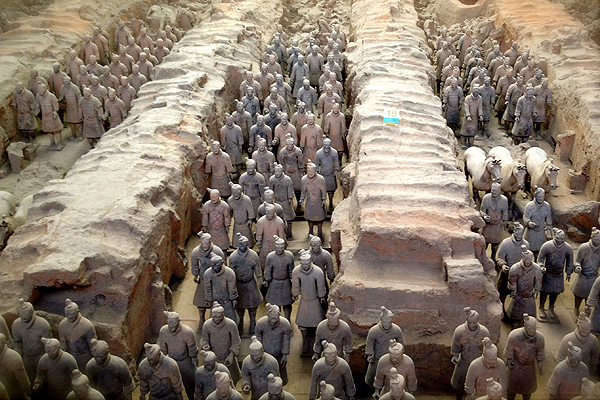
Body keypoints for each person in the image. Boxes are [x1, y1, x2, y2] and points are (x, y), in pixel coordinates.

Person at [451, 307, 491, 400]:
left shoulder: (484, 332)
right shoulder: (459, 331)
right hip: (464, 362)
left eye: (474, 323)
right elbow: (456, 345)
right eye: (470, 323)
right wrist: (455, 355)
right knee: (459, 384)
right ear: (466, 320)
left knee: (478, 386)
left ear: (478, 321)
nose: (472, 325)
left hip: (479, 364)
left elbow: (487, 348)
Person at [292, 250, 327, 356]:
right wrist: (295, 294)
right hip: (304, 300)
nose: (305, 266)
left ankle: (317, 343)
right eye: (303, 263)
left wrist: (321, 296)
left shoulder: (317, 271)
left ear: (310, 261)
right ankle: (305, 342)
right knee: (302, 323)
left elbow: (321, 285)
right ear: (300, 262)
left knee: (318, 323)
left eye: (307, 263)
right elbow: (295, 285)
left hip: (315, 300)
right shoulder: (296, 271)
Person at [158, 311, 198, 400]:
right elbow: (163, 349)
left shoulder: (187, 332)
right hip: (171, 362)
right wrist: (162, 362)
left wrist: (194, 357)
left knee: (190, 383)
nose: (171, 328)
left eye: (174, 325)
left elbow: (192, 347)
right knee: (172, 385)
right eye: (169, 325)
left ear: (179, 322)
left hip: (185, 361)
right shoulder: (163, 331)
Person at [503, 314, 544, 400]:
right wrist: (510, 360)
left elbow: (540, 351)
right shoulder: (514, 335)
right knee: (511, 388)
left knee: (528, 390)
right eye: (529, 328)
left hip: (530, 367)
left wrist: (540, 363)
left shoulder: (540, 338)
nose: (532, 331)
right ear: (525, 326)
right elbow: (509, 349)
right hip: (516, 366)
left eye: (533, 328)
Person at [200, 302, 242, 384]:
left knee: (231, 380)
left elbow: (236, 341)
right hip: (214, 359)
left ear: (223, 314)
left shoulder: (230, 324)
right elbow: (204, 339)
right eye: (214, 317)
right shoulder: (207, 325)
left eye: (219, 317)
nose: (217, 319)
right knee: (215, 381)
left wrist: (231, 355)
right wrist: (205, 345)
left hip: (228, 358)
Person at [229, 233, 262, 336]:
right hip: (239, 285)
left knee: (253, 307)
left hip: (251, 283)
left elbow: (257, 269)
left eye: (245, 245)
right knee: (240, 308)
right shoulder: (233, 257)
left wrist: (260, 279)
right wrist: (231, 287)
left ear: (247, 245)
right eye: (241, 245)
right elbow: (231, 274)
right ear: (238, 245)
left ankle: (253, 327)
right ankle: (240, 328)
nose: (243, 247)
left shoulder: (253, 255)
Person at [191, 233, 224, 331]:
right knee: (201, 300)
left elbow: (223, 265)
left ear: (210, 242)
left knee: (217, 300)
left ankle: (215, 318)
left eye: (207, 245)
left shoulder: (217, 251)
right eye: (203, 244)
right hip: (203, 278)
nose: (205, 247)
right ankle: (201, 319)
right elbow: (195, 264)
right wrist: (195, 274)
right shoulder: (196, 252)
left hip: (215, 279)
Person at [537, 228, 573, 320]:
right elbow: (540, 259)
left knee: (555, 293)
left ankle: (550, 308)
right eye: (558, 239)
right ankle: (541, 307)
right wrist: (541, 266)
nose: (559, 241)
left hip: (558, 274)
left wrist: (568, 272)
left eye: (562, 240)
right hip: (547, 273)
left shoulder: (567, 248)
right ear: (554, 237)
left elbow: (570, 261)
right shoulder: (547, 246)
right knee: (544, 291)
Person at [255, 304, 292, 385]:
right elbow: (258, 336)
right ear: (268, 314)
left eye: (275, 318)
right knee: (266, 370)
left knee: (281, 369)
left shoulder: (285, 324)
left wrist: (285, 354)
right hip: (266, 352)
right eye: (271, 318)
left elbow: (286, 339)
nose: (272, 321)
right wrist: (260, 350)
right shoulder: (261, 323)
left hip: (279, 353)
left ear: (279, 315)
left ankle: (282, 382)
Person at [507, 246, 543, 326]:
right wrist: (513, 290)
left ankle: (526, 327)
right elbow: (512, 281)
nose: (528, 263)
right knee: (515, 319)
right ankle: (514, 327)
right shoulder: (515, 268)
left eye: (529, 261)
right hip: (518, 296)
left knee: (530, 319)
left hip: (529, 297)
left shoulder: (536, 268)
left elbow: (538, 280)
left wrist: (536, 290)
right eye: (526, 261)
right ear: (523, 259)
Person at [58, 298, 97, 373]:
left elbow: (93, 345)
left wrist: (94, 361)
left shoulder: (87, 325)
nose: (71, 318)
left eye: (73, 316)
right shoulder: (62, 325)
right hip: (71, 357)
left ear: (77, 311)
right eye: (69, 317)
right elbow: (63, 344)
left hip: (85, 357)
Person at [264, 236, 295, 322]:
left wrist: (294, 282)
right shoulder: (270, 257)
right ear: (275, 246)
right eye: (278, 247)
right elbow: (268, 270)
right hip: (274, 283)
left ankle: (287, 321)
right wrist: (267, 280)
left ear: (284, 247)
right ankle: (278, 321)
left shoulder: (289, 256)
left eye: (281, 247)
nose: (279, 249)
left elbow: (291, 270)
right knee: (275, 305)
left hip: (286, 283)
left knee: (287, 304)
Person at [572, 227, 600, 314]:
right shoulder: (584, 247)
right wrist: (577, 267)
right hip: (583, 276)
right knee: (578, 295)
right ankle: (576, 309)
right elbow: (577, 261)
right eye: (595, 240)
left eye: (598, 241)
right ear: (591, 238)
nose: (596, 242)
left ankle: (586, 311)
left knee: (590, 296)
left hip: (594, 277)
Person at [204, 254, 238, 323]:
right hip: (215, 303)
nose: (215, 267)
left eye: (217, 265)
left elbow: (232, 288)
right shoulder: (207, 274)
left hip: (227, 301)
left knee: (232, 320)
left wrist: (233, 299)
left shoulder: (229, 273)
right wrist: (208, 299)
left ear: (222, 263)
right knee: (214, 321)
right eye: (213, 265)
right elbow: (207, 288)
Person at [480, 182, 508, 261]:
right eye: (492, 190)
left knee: (495, 246)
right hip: (488, 226)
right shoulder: (486, 198)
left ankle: (493, 259)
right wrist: (484, 216)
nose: (493, 192)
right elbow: (482, 211)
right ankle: (482, 258)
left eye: (495, 190)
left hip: (497, 226)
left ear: (500, 191)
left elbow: (505, 213)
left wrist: (504, 222)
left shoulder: (504, 200)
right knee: (484, 244)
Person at [301, 160, 327, 240]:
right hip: (310, 202)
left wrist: (324, 199)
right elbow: (303, 191)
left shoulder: (321, 179)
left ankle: (319, 230)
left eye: (312, 171)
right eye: (308, 171)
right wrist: (302, 199)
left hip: (319, 202)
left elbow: (323, 190)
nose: (310, 173)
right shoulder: (304, 179)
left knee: (320, 218)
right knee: (310, 218)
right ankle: (311, 230)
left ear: (315, 171)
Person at [523, 186, 552, 257]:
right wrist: (529, 223)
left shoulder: (546, 206)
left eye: (542, 197)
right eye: (538, 197)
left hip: (541, 231)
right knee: (528, 250)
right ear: (535, 196)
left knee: (540, 250)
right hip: (531, 232)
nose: (540, 198)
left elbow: (548, 217)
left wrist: (549, 226)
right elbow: (525, 218)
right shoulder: (529, 206)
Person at [0, 333, 30, 400]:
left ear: (4, 342)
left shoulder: (14, 357)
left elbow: (22, 379)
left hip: (15, 392)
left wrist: (27, 390)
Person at [256, 204, 286, 271]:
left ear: (274, 212)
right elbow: (259, 233)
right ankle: (264, 277)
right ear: (265, 212)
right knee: (263, 261)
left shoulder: (279, 222)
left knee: (277, 262)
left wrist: (281, 245)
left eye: (271, 213)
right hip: (265, 245)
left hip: (275, 246)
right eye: (268, 213)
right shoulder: (261, 221)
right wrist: (258, 241)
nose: (269, 215)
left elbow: (281, 236)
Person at [35, 83, 64, 150]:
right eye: (39, 90)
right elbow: (37, 104)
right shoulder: (38, 96)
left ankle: (60, 142)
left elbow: (55, 104)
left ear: (45, 88)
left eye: (42, 89)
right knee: (48, 130)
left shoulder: (51, 96)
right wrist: (36, 110)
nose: (40, 91)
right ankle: (52, 142)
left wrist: (55, 111)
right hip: (45, 116)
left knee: (56, 130)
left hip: (52, 115)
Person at [315, 138, 339, 211]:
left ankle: (331, 202)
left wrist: (336, 171)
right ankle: (322, 203)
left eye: (328, 145)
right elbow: (317, 164)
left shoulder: (334, 153)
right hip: (322, 174)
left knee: (331, 190)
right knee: (321, 190)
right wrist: (317, 171)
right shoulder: (319, 153)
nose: (326, 147)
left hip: (331, 174)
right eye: (325, 145)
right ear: (323, 144)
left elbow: (336, 163)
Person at [228, 184, 255, 248]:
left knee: (248, 237)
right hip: (237, 223)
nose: (236, 194)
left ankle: (249, 245)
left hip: (245, 223)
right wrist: (228, 219)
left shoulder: (246, 200)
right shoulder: (230, 200)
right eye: (234, 193)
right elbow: (230, 212)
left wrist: (250, 219)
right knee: (236, 239)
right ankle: (236, 246)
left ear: (241, 191)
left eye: (238, 192)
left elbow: (250, 210)